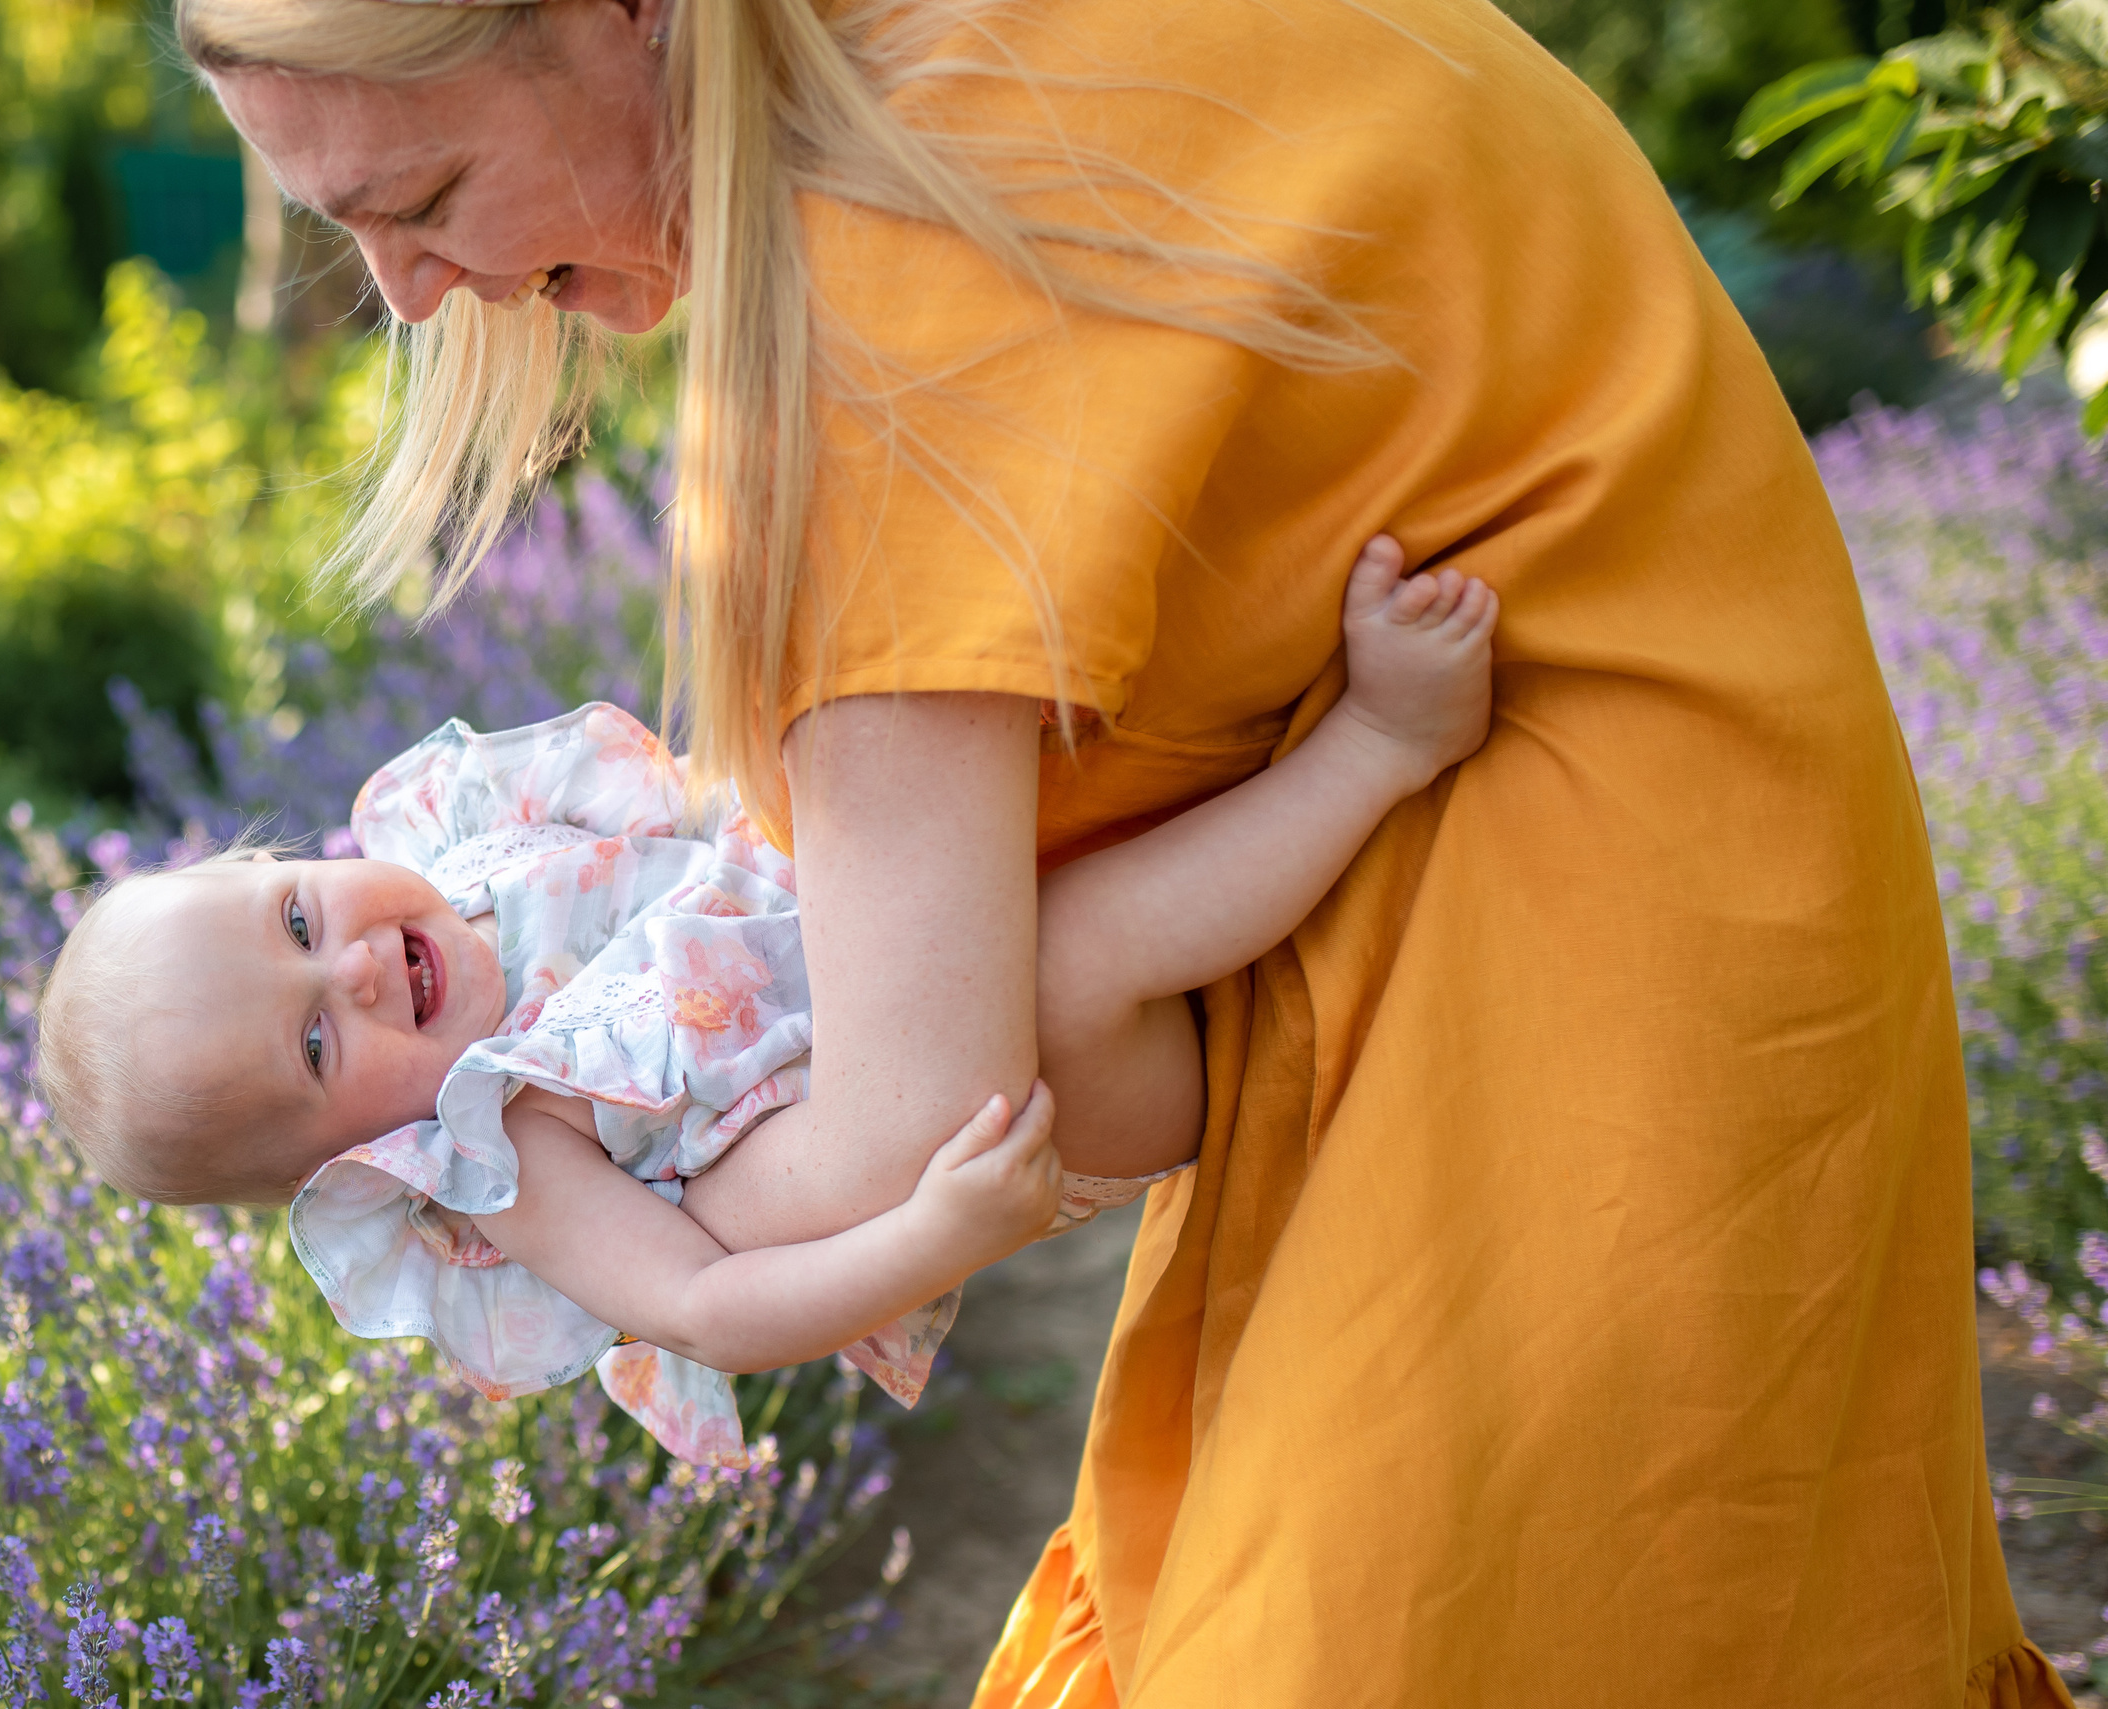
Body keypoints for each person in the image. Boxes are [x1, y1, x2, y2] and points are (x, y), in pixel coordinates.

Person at [179, 0, 2060, 1700]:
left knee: (1449, 1622)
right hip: (1681, 778)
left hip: (1567, 864)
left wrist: (732, 1194)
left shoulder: (882, 274)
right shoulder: (941, 68)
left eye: (418, 191)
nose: (408, 296)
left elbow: (926, 1111)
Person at [36, 539, 1496, 1469]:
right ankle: (1383, 743)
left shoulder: (472, 842)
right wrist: (940, 1231)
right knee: (1068, 950)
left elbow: (704, 824)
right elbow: (704, 1306)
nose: (348, 967)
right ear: (338, 1166)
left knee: (948, 774)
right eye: (313, 1043)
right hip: (1034, 1101)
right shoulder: (501, 1149)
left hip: (914, 956)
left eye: (297, 916)